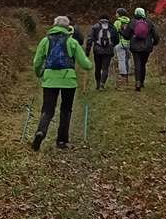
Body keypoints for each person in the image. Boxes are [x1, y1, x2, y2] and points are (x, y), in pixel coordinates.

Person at [30, 15, 92, 150]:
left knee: (47, 109)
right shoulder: (72, 42)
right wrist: (89, 65)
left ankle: (41, 131)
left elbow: (37, 62)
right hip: (68, 81)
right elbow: (86, 64)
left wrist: (39, 73)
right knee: (66, 110)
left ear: (54, 26)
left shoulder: (45, 41)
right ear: (67, 27)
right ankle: (62, 141)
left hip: (49, 80)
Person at [126, 7, 160, 91]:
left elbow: (126, 35)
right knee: (143, 64)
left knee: (137, 64)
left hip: (135, 47)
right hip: (147, 47)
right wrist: (154, 43)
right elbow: (156, 35)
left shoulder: (132, 22)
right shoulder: (149, 23)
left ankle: (137, 82)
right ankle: (142, 82)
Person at [86, 14, 116, 89]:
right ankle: (102, 83)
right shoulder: (112, 27)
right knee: (105, 68)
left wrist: (87, 51)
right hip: (108, 51)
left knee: (98, 68)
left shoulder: (95, 27)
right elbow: (116, 39)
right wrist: (112, 45)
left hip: (97, 50)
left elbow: (90, 39)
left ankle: (98, 84)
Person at [112, 7, 133, 86]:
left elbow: (114, 33)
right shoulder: (130, 21)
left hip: (120, 43)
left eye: (116, 13)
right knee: (128, 59)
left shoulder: (117, 22)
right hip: (129, 43)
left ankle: (123, 77)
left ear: (119, 14)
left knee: (121, 60)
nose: (115, 14)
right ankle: (127, 75)